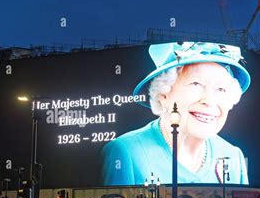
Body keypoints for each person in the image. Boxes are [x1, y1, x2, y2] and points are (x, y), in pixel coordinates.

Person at [102, 41, 251, 185]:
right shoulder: (126, 152)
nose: (210, 101)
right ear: (163, 94)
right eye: (196, 84)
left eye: (221, 89)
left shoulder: (233, 156)